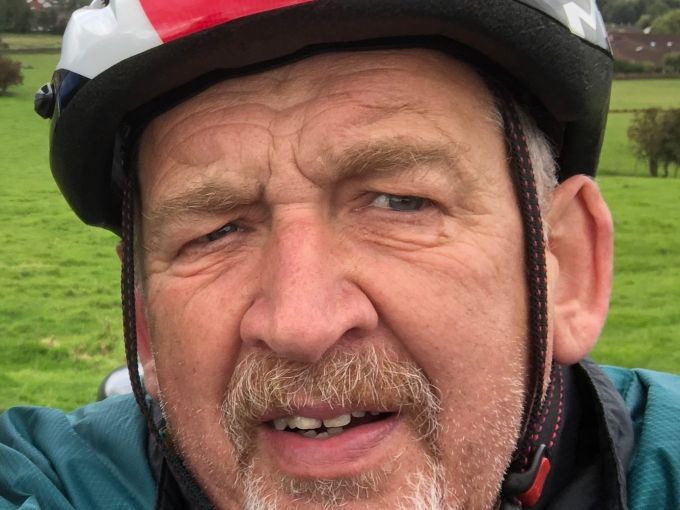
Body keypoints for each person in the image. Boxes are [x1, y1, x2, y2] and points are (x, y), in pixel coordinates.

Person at [2, 1, 679, 509]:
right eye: (215, 231)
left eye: (399, 201)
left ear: (564, 267)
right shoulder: (59, 484)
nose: (301, 323)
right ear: (147, 321)